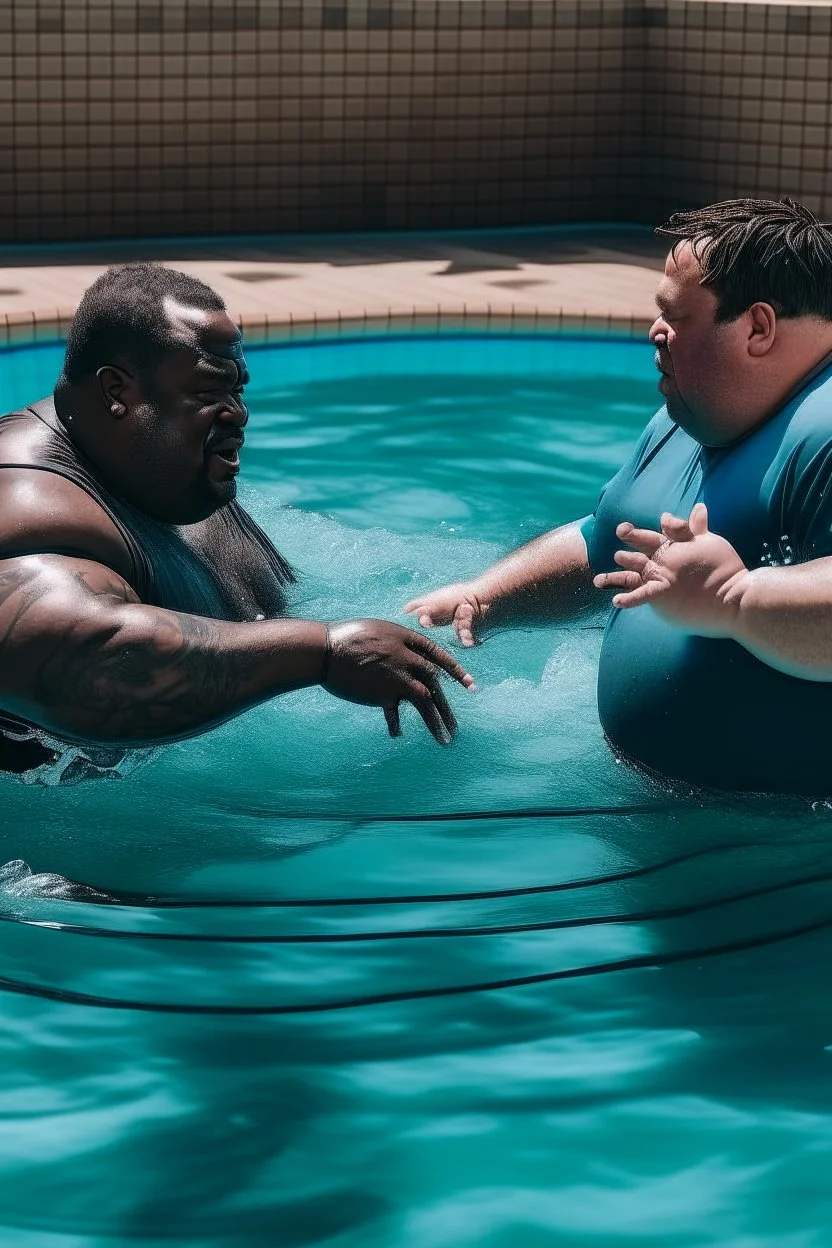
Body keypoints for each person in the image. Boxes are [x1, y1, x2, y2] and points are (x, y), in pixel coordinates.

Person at [405, 197, 832, 795]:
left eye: (675, 315)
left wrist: (735, 599)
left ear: (757, 328)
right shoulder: (685, 418)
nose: (655, 331)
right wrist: (488, 595)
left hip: (775, 849)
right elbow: (604, 541)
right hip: (664, 820)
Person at [0, 264, 474, 783]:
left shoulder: (154, 464)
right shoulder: (27, 504)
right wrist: (322, 652)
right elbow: (91, 663)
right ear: (118, 392)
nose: (237, 414)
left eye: (238, 390)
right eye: (209, 392)